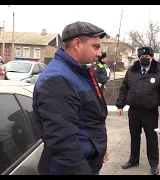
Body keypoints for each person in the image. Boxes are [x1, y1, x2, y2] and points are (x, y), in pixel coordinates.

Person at [32, 21, 109, 175]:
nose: (99, 53)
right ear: (77, 44)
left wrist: (100, 149)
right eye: (95, 46)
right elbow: (63, 142)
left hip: (86, 161)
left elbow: (91, 117)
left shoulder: (78, 72)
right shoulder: (57, 79)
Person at [115, 46, 160, 175]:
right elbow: (124, 89)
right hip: (134, 111)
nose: (144, 59)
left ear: (151, 58)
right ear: (139, 58)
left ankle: (154, 163)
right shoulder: (131, 71)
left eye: (147, 57)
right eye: (142, 57)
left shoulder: (159, 73)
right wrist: (120, 105)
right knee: (134, 136)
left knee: (151, 138)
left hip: (150, 112)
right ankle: (133, 160)